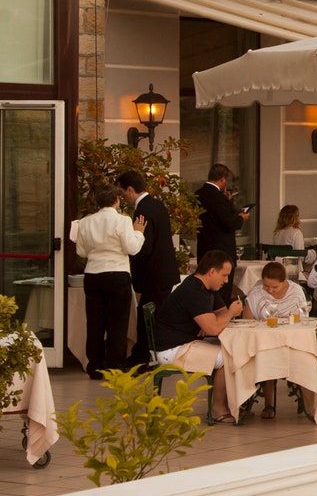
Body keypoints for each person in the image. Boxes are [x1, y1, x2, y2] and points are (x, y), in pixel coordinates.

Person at [152, 249, 242, 423]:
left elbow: (218, 316)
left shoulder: (207, 287)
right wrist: (229, 314)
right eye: (224, 275)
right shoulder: (193, 290)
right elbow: (215, 327)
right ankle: (218, 409)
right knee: (229, 356)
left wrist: (215, 321)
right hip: (172, 349)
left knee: (233, 349)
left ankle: (232, 403)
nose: (226, 280)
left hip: (185, 341)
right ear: (212, 272)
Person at [71, 184, 146, 377]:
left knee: (95, 322)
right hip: (117, 273)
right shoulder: (122, 221)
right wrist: (139, 232)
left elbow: (81, 251)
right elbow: (132, 248)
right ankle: (115, 366)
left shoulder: (86, 222)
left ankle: (95, 365)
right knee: (117, 323)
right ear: (116, 201)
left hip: (93, 274)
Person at [118, 169, 179, 364]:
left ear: (129, 189)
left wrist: (129, 248)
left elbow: (144, 246)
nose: (122, 197)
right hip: (164, 272)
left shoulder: (143, 209)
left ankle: (142, 357)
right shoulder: (157, 204)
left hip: (153, 274)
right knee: (152, 317)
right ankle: (146, 355)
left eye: (122, 193)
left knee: (147, 319)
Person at [243, 262, 309, 419]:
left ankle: (309, 402)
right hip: (264, 343)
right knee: (267, 356)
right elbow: (247, 322)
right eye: (267, 286)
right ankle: (268, 404)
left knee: (306, 358)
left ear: (284, 282)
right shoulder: (256, 293)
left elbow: (302, 320)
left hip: (291, 342)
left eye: (275, 287)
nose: (270, 290)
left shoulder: (296, 292)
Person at [195, 163, 248, 264]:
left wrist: (227, 201)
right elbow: (229, 223)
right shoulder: (219, 197)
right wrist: (241, 218)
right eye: (226, 181)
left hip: (203, 249)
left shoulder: (198, 193)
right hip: (221, 253)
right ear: (222, 179)